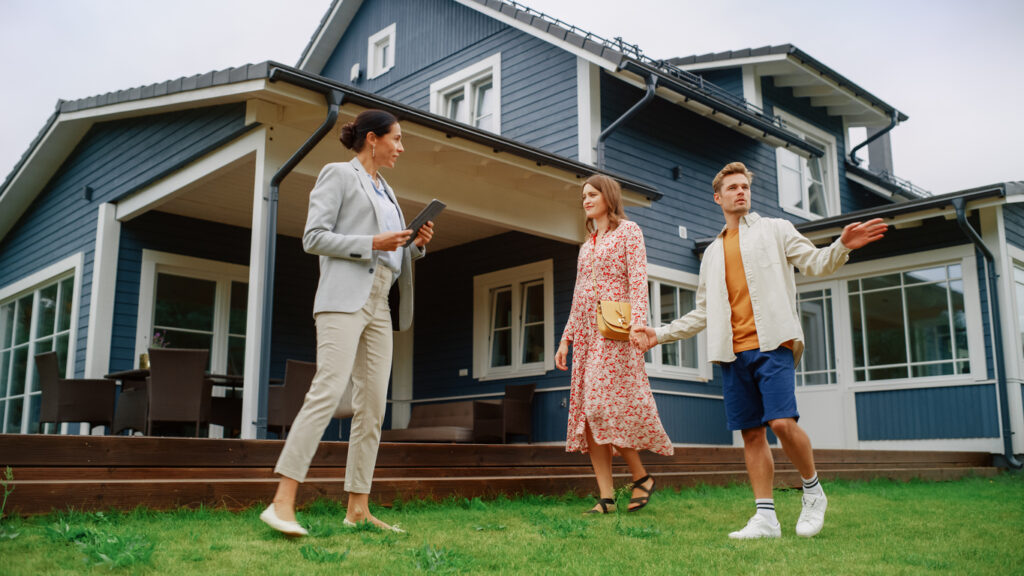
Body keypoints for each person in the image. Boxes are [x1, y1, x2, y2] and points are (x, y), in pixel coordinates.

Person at [636, 161, 887, 539]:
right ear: (718, 198)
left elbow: (815, 263)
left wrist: (841, 246)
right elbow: (703, 311)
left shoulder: (776, 229)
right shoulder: (712, 254)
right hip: (732, 354)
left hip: (773, 344)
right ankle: (766, 518)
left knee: (782, 422)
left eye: (745, 186)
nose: (741, 192)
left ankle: (813, 491)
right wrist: (659, 334)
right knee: (752, 435)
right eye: (733, 187)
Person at [260, 110, 434, 536]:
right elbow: (313, 238)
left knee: (373, 408)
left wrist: (414, 246)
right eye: (396, 139)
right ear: (372, 139)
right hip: (343, 298)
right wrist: (372, 242)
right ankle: (281, 502)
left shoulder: (387, 191)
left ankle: (358, 509)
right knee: (327, 391)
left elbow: (391, 252)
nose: (401, 147)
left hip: (381, 302)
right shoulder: (338, 174)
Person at [555, 174, 674, 515]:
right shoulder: (586, 246)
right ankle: (607, 497)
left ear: (608, 197)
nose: (586, 200)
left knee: (601, 408)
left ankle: (640, 476)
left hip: (617, 334)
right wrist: (565, 339)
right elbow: (579, 296)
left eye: (592, 194)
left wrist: (639, 325)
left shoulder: (629, 232)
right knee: (589, 415)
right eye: (583, 196)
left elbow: (638, 281)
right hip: (587, 337)